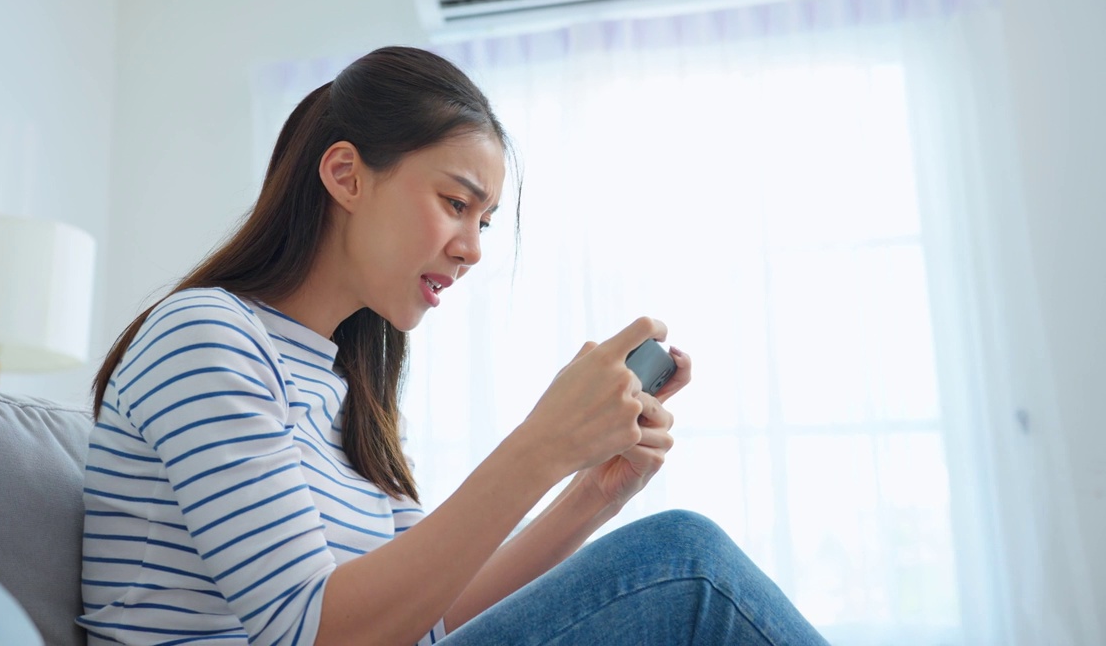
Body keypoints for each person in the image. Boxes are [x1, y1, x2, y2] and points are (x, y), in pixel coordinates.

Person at [79, 45, 828, 646]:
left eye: (486, 221)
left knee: (675, 555)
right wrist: (541, 444)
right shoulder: (204, 335)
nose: (471, 248)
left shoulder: (351, 394)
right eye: (455, 203)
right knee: (683, 566)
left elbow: (428, 623)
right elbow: (316, 630)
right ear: (345, 175)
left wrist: (592, 494)